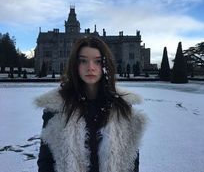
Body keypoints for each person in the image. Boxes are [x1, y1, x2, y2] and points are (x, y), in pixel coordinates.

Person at [35, 36, 147, 172]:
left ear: (106, 65)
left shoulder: (122, 108)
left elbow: (131, 162)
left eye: (98, 61)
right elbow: (46, 162)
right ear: (75, 65)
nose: (91, 67)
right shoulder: (56, 109)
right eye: (83, 61)